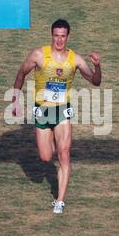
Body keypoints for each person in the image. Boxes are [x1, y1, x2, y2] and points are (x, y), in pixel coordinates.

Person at [12, 19, 101, 213]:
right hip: (42, 111)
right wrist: (15, 100)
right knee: (45, 157)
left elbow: (94, 81)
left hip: (62, 111)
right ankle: (51, 135)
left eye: (63, 36)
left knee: (64, 155)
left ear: (68, 37)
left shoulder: (75, 60)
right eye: (56, 36)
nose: (59, 40)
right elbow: (21, 74)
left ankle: (60, 201)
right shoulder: (38, 55)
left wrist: (98, 66)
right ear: (51, 35)